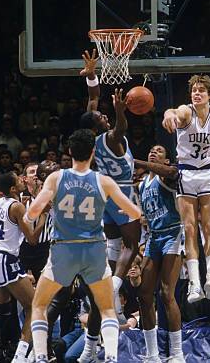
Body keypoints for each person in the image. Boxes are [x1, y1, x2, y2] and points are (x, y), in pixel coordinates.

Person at [25, 129, 142, 363]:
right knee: (107, 307)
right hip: (94, 249)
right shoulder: (104, 181)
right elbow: (134, 212)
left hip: (64, 249)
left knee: (38, 305)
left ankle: (39, 356)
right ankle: (110, 356)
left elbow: (32, 212)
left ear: (70, 151)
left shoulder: (56, 178)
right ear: (93, 152)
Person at [80, 50, 142, 314]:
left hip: (104, 196)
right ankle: (115, 285)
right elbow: (121, 130)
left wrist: (93, 76)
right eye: (100, 118)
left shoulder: (91, 137)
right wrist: (119, 113)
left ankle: (107, 284)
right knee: (132, 245)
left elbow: (93, 99)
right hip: (122, 193)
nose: (102, 115)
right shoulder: (108, 138)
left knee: (115, 245)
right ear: (97, 126)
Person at [162, 74, 210, 302]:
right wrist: (169, 115)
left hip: (208, 172)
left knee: (209, 226)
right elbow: (174, 112)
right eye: (194, 90)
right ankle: (194, 283)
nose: (196, 93)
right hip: (186, 173)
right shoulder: (187, 111)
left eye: (201, 90)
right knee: (190, 228)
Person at [0, 172, 44, 363]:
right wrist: (43, 218)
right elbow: (33, 240)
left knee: (3, 311)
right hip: (4, 258)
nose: (22, 180)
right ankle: (20, 356)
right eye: (19, 180)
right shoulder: (17, 206)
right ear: (12, 189)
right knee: (34, 307)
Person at [134, 144, 185, 363]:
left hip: (174, 233)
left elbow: (173, 171)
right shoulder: (142, 185)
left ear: (165, 160)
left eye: (159, 151)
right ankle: (153, 354)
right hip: (154, 237)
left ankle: (177, 354)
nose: (153, 151)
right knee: (144, 295)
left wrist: (136, 161)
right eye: (151, 149)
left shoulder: (168, 176)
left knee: (166, 294)